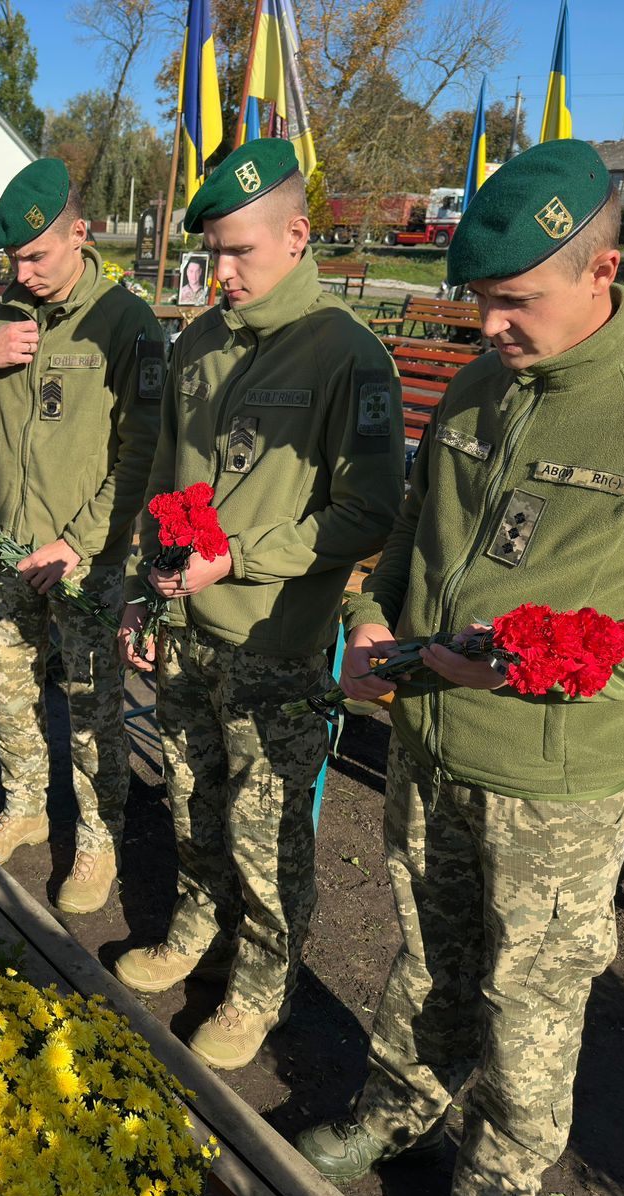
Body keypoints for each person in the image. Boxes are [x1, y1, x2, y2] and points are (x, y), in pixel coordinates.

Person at [294, 139, 624, 1196]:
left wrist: (559, 666)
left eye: (514, 300)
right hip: (429, 740)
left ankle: (501, 1175)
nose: (487, 325)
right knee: (424, 954)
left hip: (551, 786)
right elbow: (416, 529)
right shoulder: (477, 386)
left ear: (602, 272)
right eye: (478, 301)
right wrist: (372, 623)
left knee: (531, 1001)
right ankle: (399, 1110)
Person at [114, 138, 405, 1070]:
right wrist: (140, 593)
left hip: (276, 644)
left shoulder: (347, 357)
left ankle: (263, 981)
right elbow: (168, 481)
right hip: (188, 632)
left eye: (240, 251)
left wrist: (240, 557)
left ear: (297, 235)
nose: (221, 272)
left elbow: (367, 511)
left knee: (269, 828)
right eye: (212, 252)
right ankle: (197, 929)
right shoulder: (198, 341)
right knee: (196, 803)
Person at [0, 157, 166, 913]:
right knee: (13, 688)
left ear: (80, 235)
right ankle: (26, 805)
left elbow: (144, 453)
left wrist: (82, 542)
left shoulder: (125, 323)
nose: (24, 272)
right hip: (5, 545)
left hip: (82, 559)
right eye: (13, 260)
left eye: (38, 255)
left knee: (95, 706)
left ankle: (97, 838)